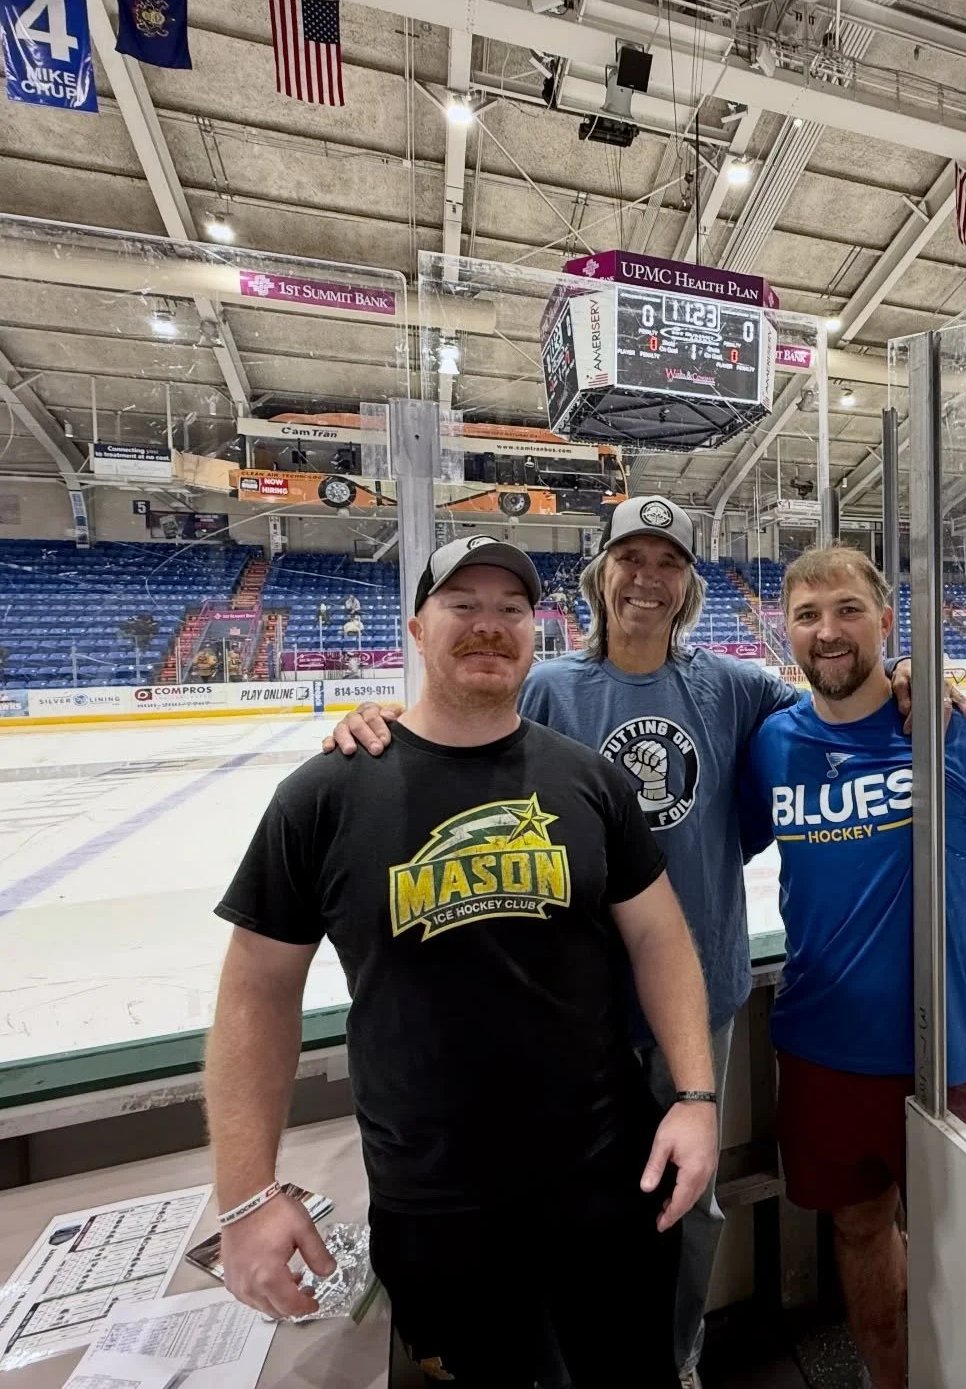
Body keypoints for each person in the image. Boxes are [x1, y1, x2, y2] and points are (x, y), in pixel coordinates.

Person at [326, 497, 966, 1389]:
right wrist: (374, 721)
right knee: (581, 1209)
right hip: (574, 1011)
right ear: (601, 577)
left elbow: (836, 697)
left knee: (689, 1206)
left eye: (667, 563)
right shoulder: (551, 687)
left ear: (687, 588)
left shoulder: (734, 686)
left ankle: (678, 1361)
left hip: (695, 998)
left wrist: (909, 677)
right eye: (631, 558)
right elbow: (459, 726)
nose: (648, 578)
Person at [206, 536, 718, 1388]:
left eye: (511, 610)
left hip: (605, 1181)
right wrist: (247, 1194)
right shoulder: (324, 796)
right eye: (464, 606)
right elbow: (256, 993)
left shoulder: (589, 784)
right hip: (434, 1205)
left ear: (536, 630)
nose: (490, 626)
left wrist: (696, 1097)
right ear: (416, 628)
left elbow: (660, 937)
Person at [740, 546, 966, 1389]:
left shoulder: (951, 731)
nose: (828, 632)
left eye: (846, 611)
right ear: (786, 631)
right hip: (819, 1056)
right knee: (859, 1234)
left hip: (939, 1060)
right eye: (807, 615)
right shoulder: (771, 746)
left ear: (884, 621)